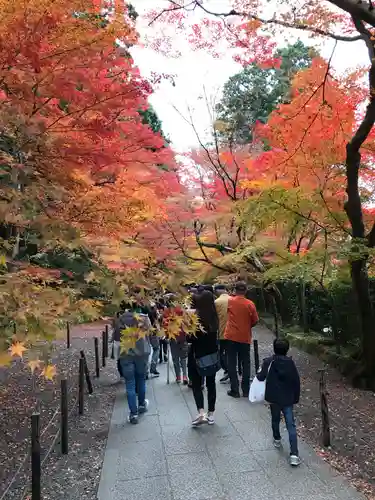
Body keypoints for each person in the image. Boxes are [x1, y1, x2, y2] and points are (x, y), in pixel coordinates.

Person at [256, 338, 301, 466]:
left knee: (275, 419)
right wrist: (295, 397)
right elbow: (296, 381)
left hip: (274, 398)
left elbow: (260, 377)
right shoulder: (290, 364)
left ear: (274, 348)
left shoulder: (269, 361)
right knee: (290, 425)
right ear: (287, 349)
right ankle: (294, 454)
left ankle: (277, 438)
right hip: (287, 399)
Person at [188, 289, 219, 426]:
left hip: (196, 354)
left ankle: (201, 412)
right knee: (211, 383)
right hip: (211, 353)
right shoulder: (214, 316)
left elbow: (189, 339)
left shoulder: (193, 318)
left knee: (196, 384)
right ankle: (211, 414)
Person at [118, 303, 152, 424]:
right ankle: (142, 404)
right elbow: (150, 333)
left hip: (126, 354)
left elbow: (117, 337)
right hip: (141, 353)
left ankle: (133, 414)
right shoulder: (144, 318)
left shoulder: (121, 318)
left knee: (130, 383)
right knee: (141, 379)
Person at [224, 281, 259, 398]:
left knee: (231, 362)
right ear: (245, 290)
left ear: (235, 290)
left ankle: (234, 390)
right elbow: (255, 320)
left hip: (231, 336)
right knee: (246, 363)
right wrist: (247, 326)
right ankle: (246, 390)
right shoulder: (250, 304)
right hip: (245, 337)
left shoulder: (230, 301)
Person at [163, 297, 188, 384]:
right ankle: (185, 375)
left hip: (173, 337)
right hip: (182, 337)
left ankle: (178, 376)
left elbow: (165, 325)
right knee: (183, 358)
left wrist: (166, 336)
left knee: (175, 358)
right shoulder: (181, 310)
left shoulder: (167, 312)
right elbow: (186, 323)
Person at [214, 285, 230, 383]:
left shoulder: (216, 302)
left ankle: (228, 370)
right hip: (233, 332)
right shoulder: (233, 300)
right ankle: (231, 371)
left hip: (222, 332)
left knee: (221, 353)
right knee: (231, 353)